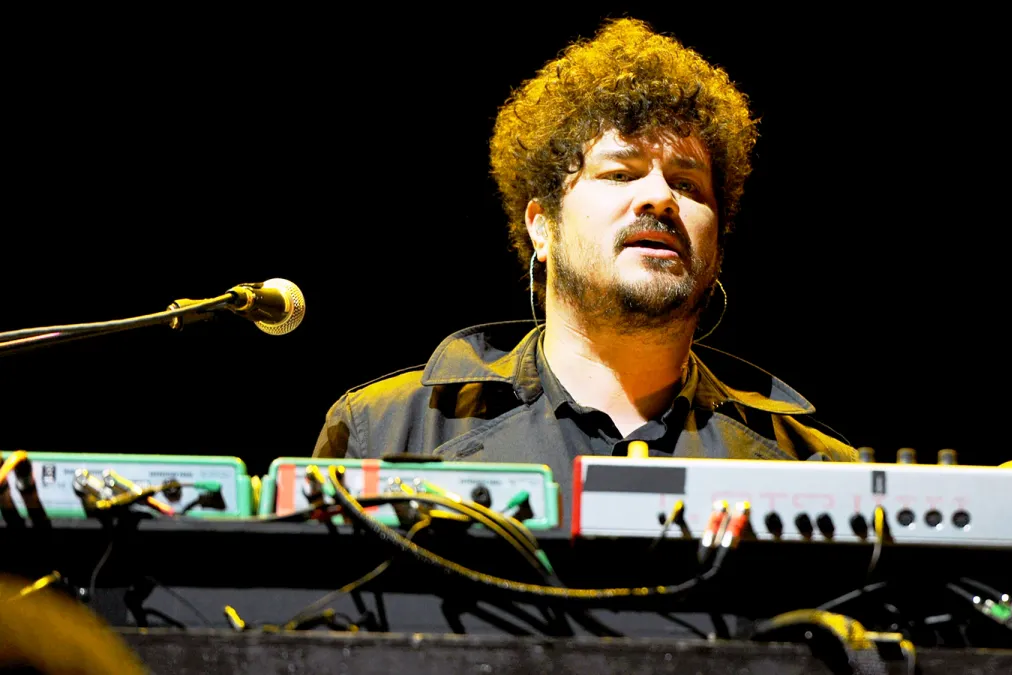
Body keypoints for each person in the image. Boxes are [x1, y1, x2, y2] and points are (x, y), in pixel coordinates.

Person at [312, 18, 858, 495]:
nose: (660, 198)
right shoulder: (385, 432)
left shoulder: (814, 467)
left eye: (688, 185)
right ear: (542, 226)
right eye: (619, 174)